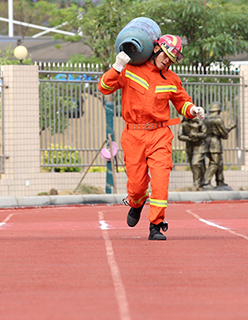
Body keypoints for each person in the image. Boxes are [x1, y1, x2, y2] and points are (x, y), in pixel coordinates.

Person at [98, 35, 205, 241]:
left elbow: (182, 103)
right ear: (156, 49)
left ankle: (156, 224)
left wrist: (193, 109)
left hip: (159, 135)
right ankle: (136, 202)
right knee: (137, 186)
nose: (167, 60)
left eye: (172, 58)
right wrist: (117, 66)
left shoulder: (172, 79)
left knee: (160, 180)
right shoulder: (130, 70)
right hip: (133, 135)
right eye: (166, 55)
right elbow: (104, 87)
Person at [203, 102, 237, 188]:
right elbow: (224, 133)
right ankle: (206, 181)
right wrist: (230, 127)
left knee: (219, 162)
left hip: (207, 142)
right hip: (215, 143)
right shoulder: (218, 120)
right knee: (215, 163)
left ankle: (220, 181)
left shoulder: (205, 119)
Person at [178, 116, 208, 189]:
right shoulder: (183, 124)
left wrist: (196, 135)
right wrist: (188, 138)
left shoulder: (200, 123)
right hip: (190, 146)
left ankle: (197, 184)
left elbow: (205, 134)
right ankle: (203, 182)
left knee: (196, 163)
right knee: (196, 165)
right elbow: (180, 136)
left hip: (200, 145)